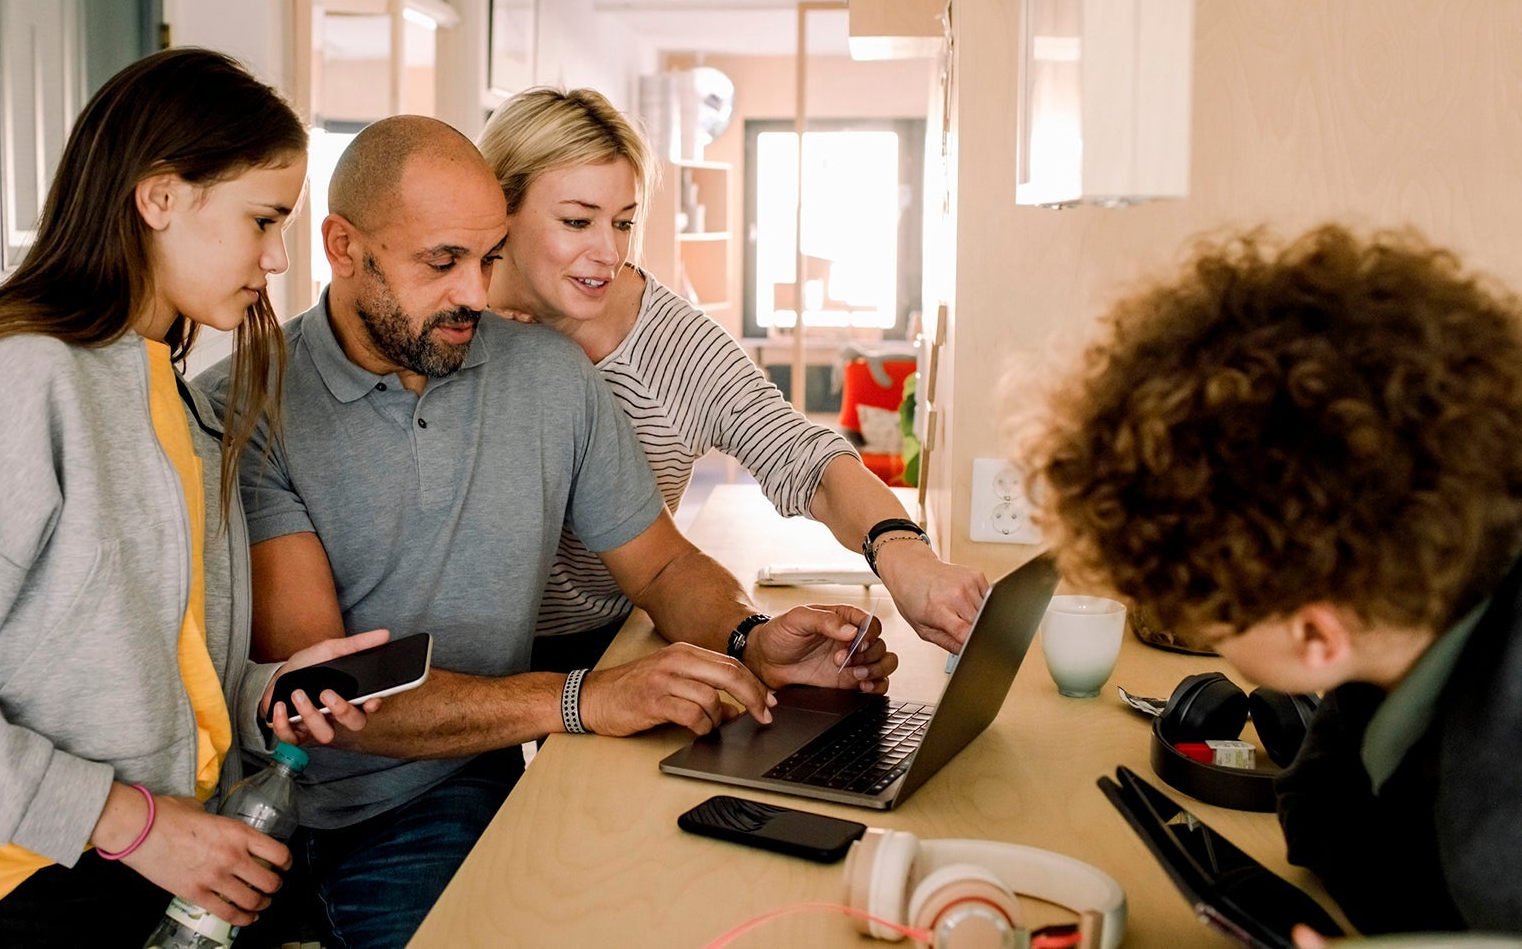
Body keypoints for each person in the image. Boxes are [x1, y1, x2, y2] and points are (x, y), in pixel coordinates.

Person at [195, 113, 896, 949]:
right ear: (342, 247)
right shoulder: (245, 402)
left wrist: (750, 635)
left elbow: (663, 567)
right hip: (261, 804)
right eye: (442, 261)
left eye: (488, 258)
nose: (476, 295)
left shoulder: (550, 376)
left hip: (441, 788)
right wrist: (579, 697)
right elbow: (334, 692)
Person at [0, 48, 388, 949]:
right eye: (262, 219)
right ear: (161, 197)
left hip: (145, 866)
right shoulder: (23, 379)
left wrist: (267, 693)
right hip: (8, 886)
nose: (277, 257)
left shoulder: (181, 404)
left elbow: (139, 671)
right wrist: (129, 822)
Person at [1024, 224, 1522, 940]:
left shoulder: (1497, 810)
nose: (1195, 626)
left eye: (1210, 615)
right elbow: (1319, 816)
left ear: (1316, 635)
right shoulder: (1413, 626)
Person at [475, 86, 989, 672]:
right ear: (500, 209)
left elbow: (800, 454)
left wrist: (905, 555)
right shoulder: (446, 330)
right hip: (464, 651)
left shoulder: (670, 343)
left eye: (623, 222)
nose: (608, 251)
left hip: (610, 642)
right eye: (576, 221)